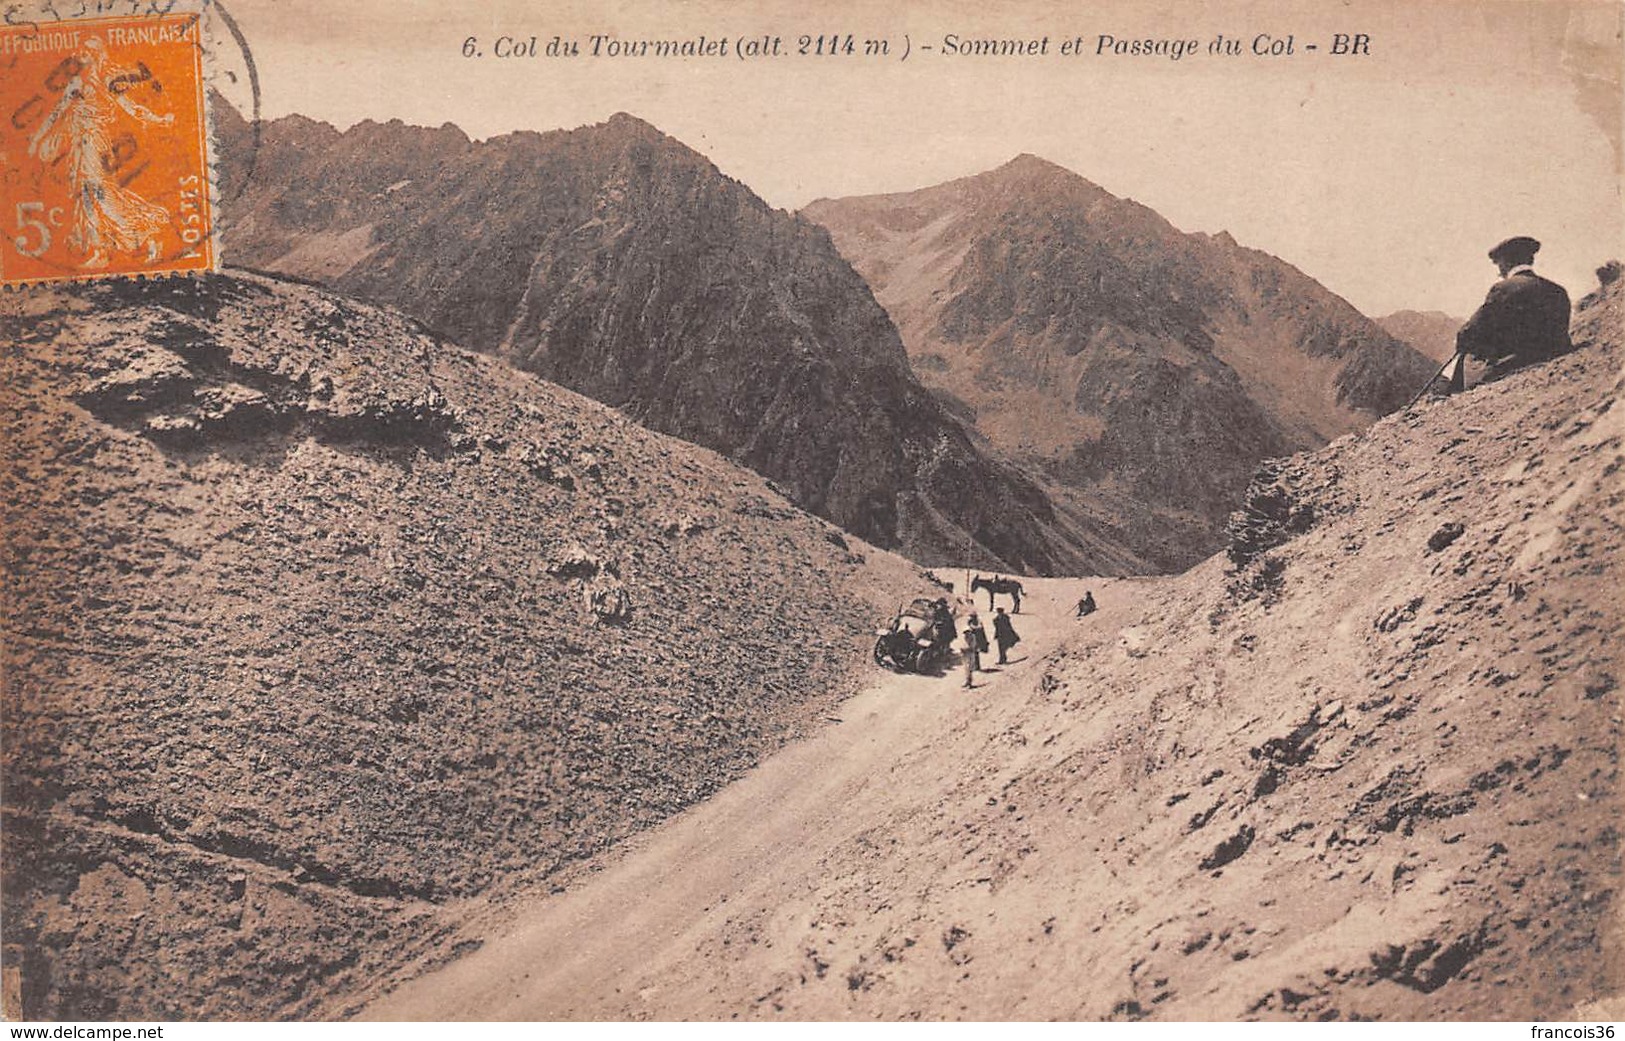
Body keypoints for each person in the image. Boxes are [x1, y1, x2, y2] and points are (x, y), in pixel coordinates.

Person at [1455, 236, 1572, 384]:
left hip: (1519, 362)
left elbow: (1471, 330)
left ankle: (1453, 396)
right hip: (1556, 352)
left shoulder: (1503, 288)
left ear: (1505, 264)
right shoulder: (1557, 290)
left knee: (1468, 355)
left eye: (1499, 265)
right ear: (1530, 260)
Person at [961, 612, 988, 689]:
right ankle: (967, 681)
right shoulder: (966, 636)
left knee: (969, 668)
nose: (965, 633)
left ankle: (969, 682)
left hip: (971, 652)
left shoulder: (973, 636)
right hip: (966, 654)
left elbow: (972, 646)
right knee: (966, 669)